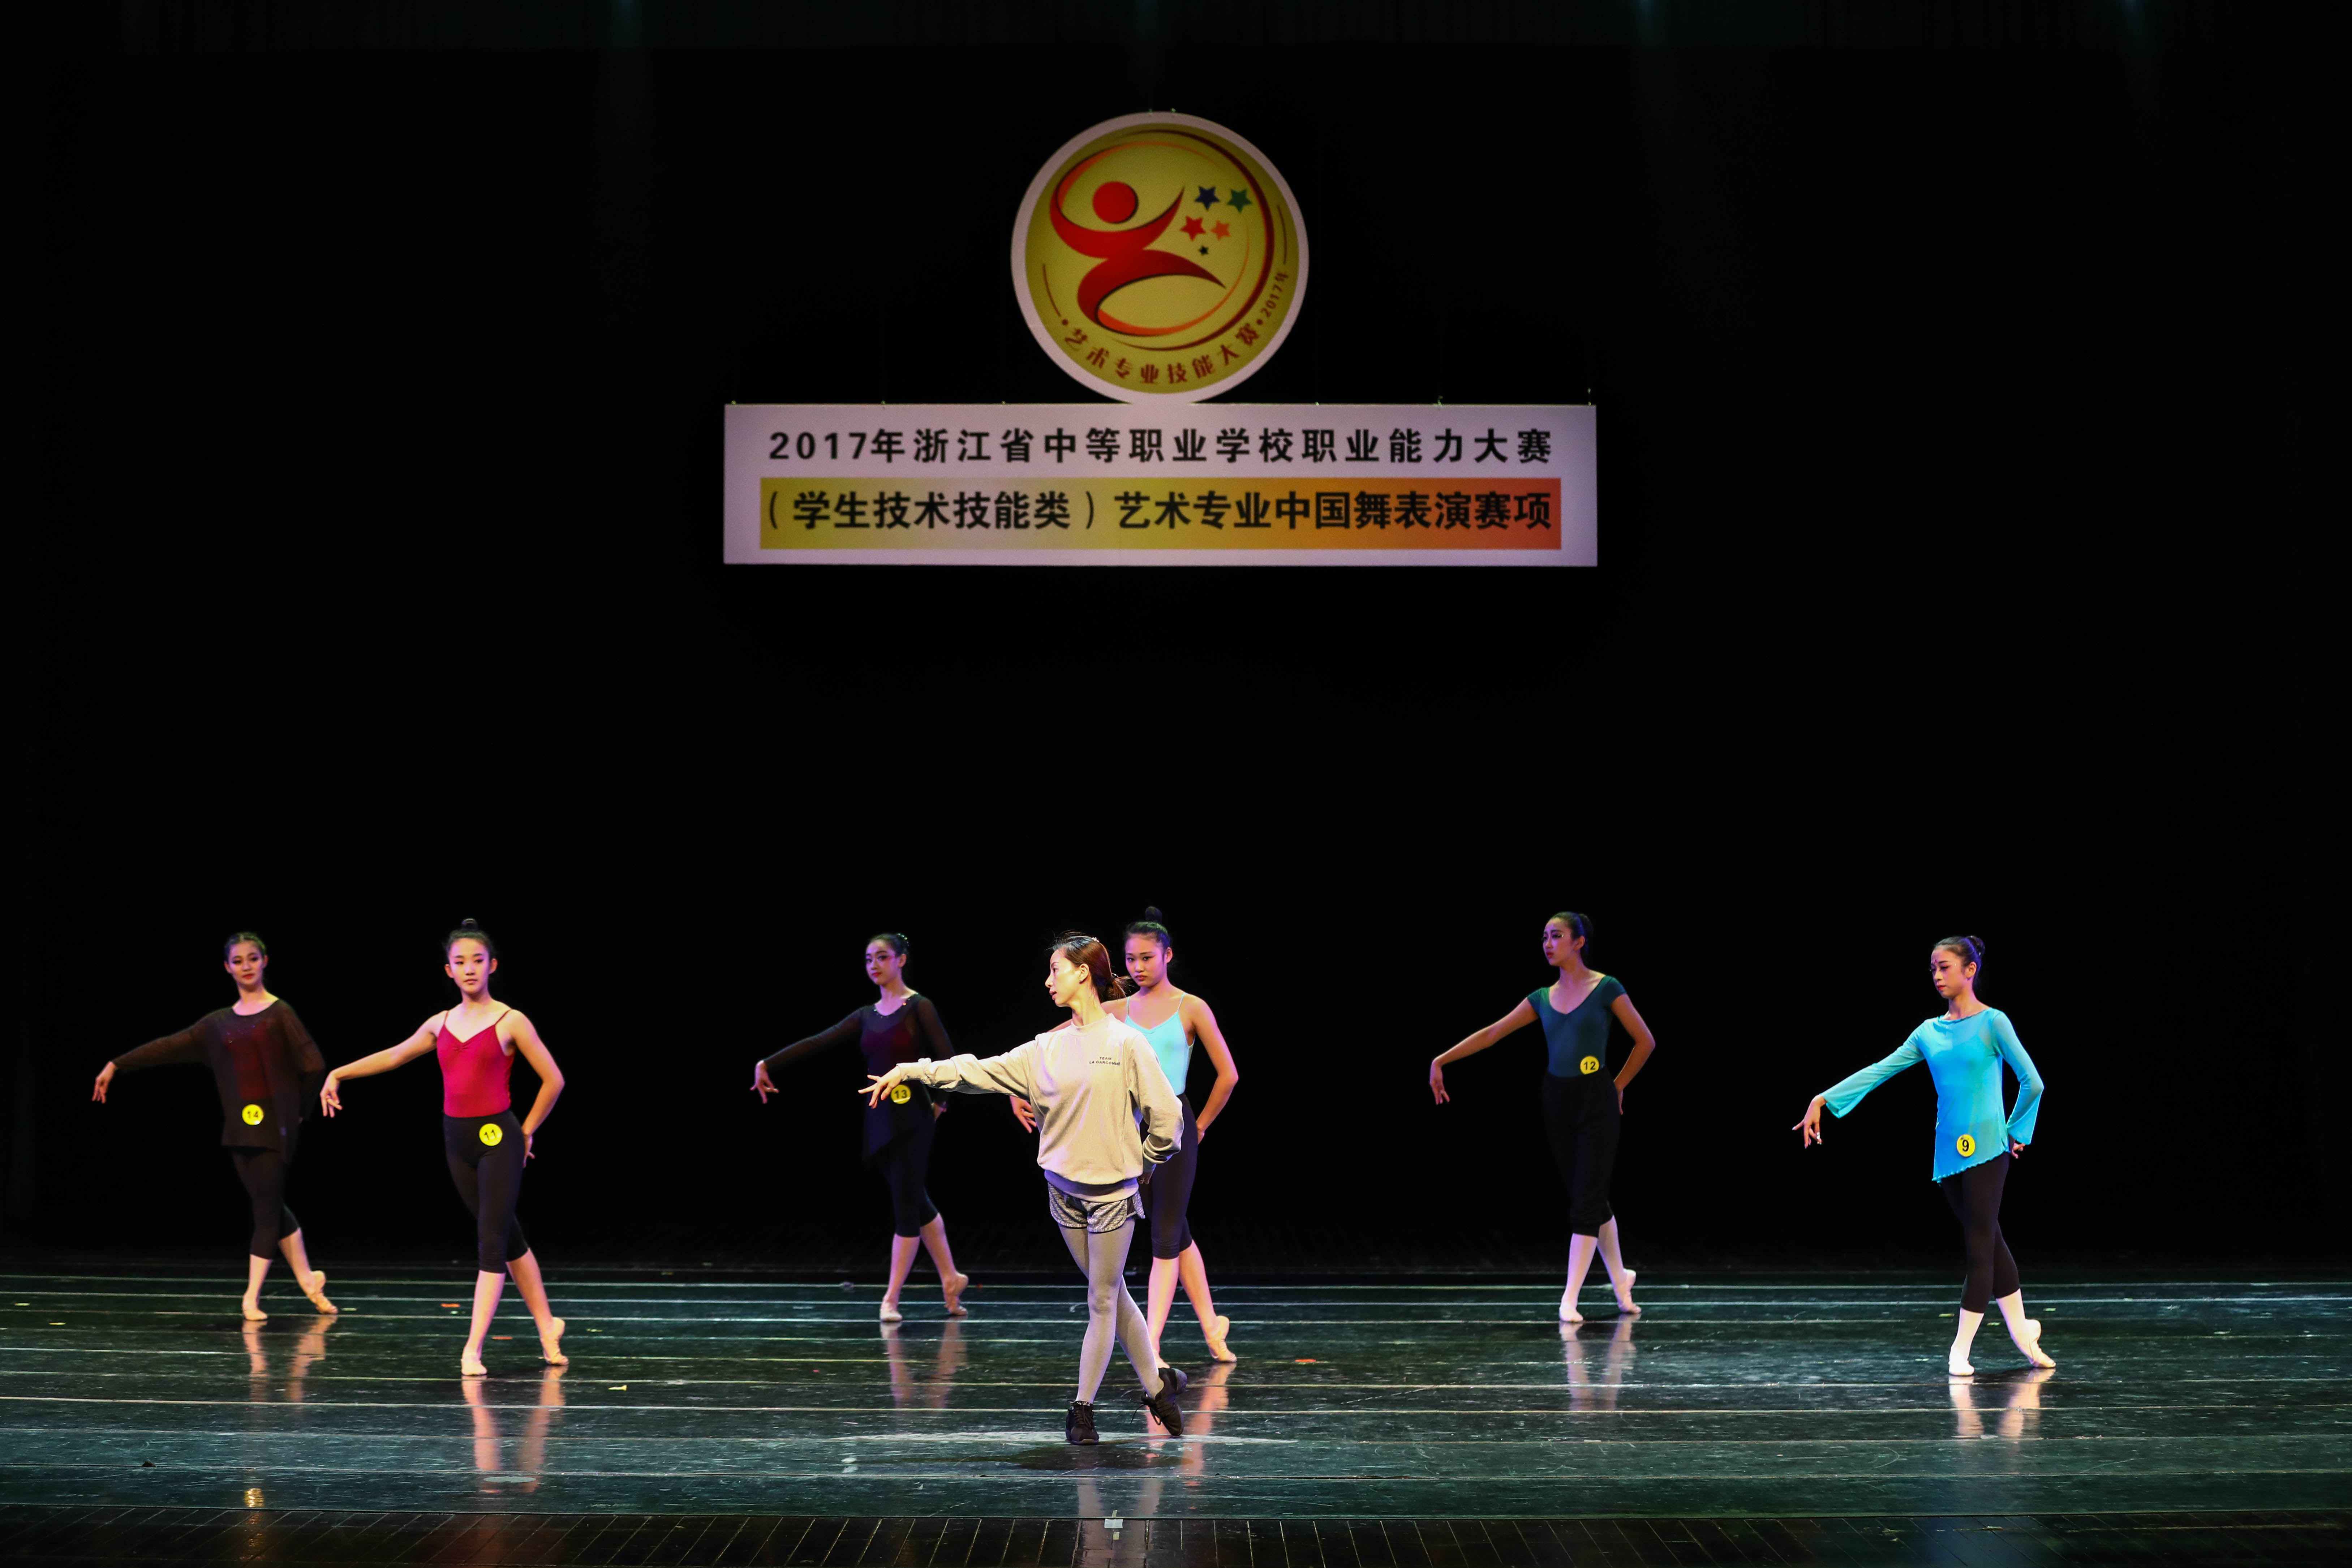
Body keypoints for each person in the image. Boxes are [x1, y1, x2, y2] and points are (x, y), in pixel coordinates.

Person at [865, 933, 1187, 1444]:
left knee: (1102, 1298)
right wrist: (911, 1069)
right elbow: (975, 1070)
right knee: (1110, 1291)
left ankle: (1082, 1408)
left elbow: (1168, 1119)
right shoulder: (1046, 1047)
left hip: (1111, 1198)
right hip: (1062, 1194)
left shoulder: (1126, 1043)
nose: (1048, 980)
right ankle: (1157, 1385)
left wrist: (1145, 1160)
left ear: (1082, 972)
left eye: (1055, 969)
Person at [1794, 935, 2052, 1377]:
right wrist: (1823, 1098)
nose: (1936, 975)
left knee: (1978, 1247)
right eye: (1932, 968)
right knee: (1989, 1240)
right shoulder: (1927, 1033)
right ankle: (2022, 1331)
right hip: (1949, 1155)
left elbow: (2033, 1081)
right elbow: (1880, 1070)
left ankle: (1959, 1350)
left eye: (1944, 966)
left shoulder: (1993, 1023)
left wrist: (2015, 1131)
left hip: (1987, 1149)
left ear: (1969, 970)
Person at [320, 919, 568, 1376]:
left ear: (493, 965)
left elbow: (554, 1080)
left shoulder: (511, 1020)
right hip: (457, 1141)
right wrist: (339, 1073)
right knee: (508, 1237)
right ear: (448, 971)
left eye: (478, 960)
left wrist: (527, 1130)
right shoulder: (441, 1022)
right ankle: (547, 1324)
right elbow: (395, 1055)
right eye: (460, 962)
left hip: (498, 1140)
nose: (469, 968)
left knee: (491, 1245)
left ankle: (472, 1348)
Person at [92, 931, 339, 1321]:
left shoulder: (280, 1014)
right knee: (271, 1204)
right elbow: (168, 1046)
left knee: (265, 1211)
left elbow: (314, 1065)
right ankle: (309, 1281)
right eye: (238, 960)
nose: (246, 966)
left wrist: (297, 1113)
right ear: (227, 967)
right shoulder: (217, 1024)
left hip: (274, 1129)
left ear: (265, 961)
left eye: (253, 958)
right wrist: (117, 1063)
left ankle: (251, 1298)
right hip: (240, 1130)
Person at [1429, 911, 1656, 1323]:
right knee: (1589, 1197)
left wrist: (1617, 1085)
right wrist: (1441, 1059)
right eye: (1544, 937)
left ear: (1579, 941)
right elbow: (1493, 1033)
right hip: (1556, 1099)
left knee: (1586, 1201)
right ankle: (1621, 1278)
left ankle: (1569, 1298)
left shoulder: (1607, 988)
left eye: (1556, 936)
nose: (1548, 944)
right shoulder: (1540, 998)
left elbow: (1645, 1041)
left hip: (1596, 1100)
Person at [752, 932, 969, 1321]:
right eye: (869, 959)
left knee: (906, 1207)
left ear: (901, 960)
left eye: (882, 957)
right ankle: (951, 1278)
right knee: (915, 1200)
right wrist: (767, 1063)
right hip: (878, 1117)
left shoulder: (919, 1007)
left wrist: (941, 1103)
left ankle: (891, 1298)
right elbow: (819, 1041)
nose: (874, 965)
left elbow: (948, 1059)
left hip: (913, 1117)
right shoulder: (866, 1015)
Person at [1085, 910, 1240, 1365]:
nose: (1137, 967)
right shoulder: (1116, 1010)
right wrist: (1018, 1089)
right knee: (1176, 1232)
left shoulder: (1191, 1007)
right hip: (1130, 1131)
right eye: (1131, 959)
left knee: (1164, 1236)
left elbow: (1228, 1075)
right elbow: (1054, 1042)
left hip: (1173, 1126)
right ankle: (1212, 1328)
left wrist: (1200, 1124)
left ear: (1167, 956)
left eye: (1147, 958)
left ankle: (1149, 1345)